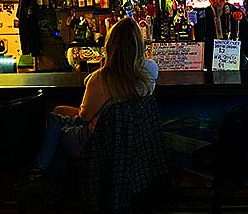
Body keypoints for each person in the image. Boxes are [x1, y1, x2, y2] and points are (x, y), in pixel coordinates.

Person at [24, 18, 159, 182]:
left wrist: (96, 73)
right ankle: (49, 180)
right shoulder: (150, 70)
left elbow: (84, 116)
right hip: (132, 141)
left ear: (110, 45)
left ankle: (43, 176)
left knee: (58, 126)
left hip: (98, 144)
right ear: (139, 44)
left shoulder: (99, 79)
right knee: (58, 117)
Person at [196, 0, 248, 70]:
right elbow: (198, 41)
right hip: (211, 65)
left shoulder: (236, 14)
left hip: (235, 63)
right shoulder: (203, 15)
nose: (217, 1)